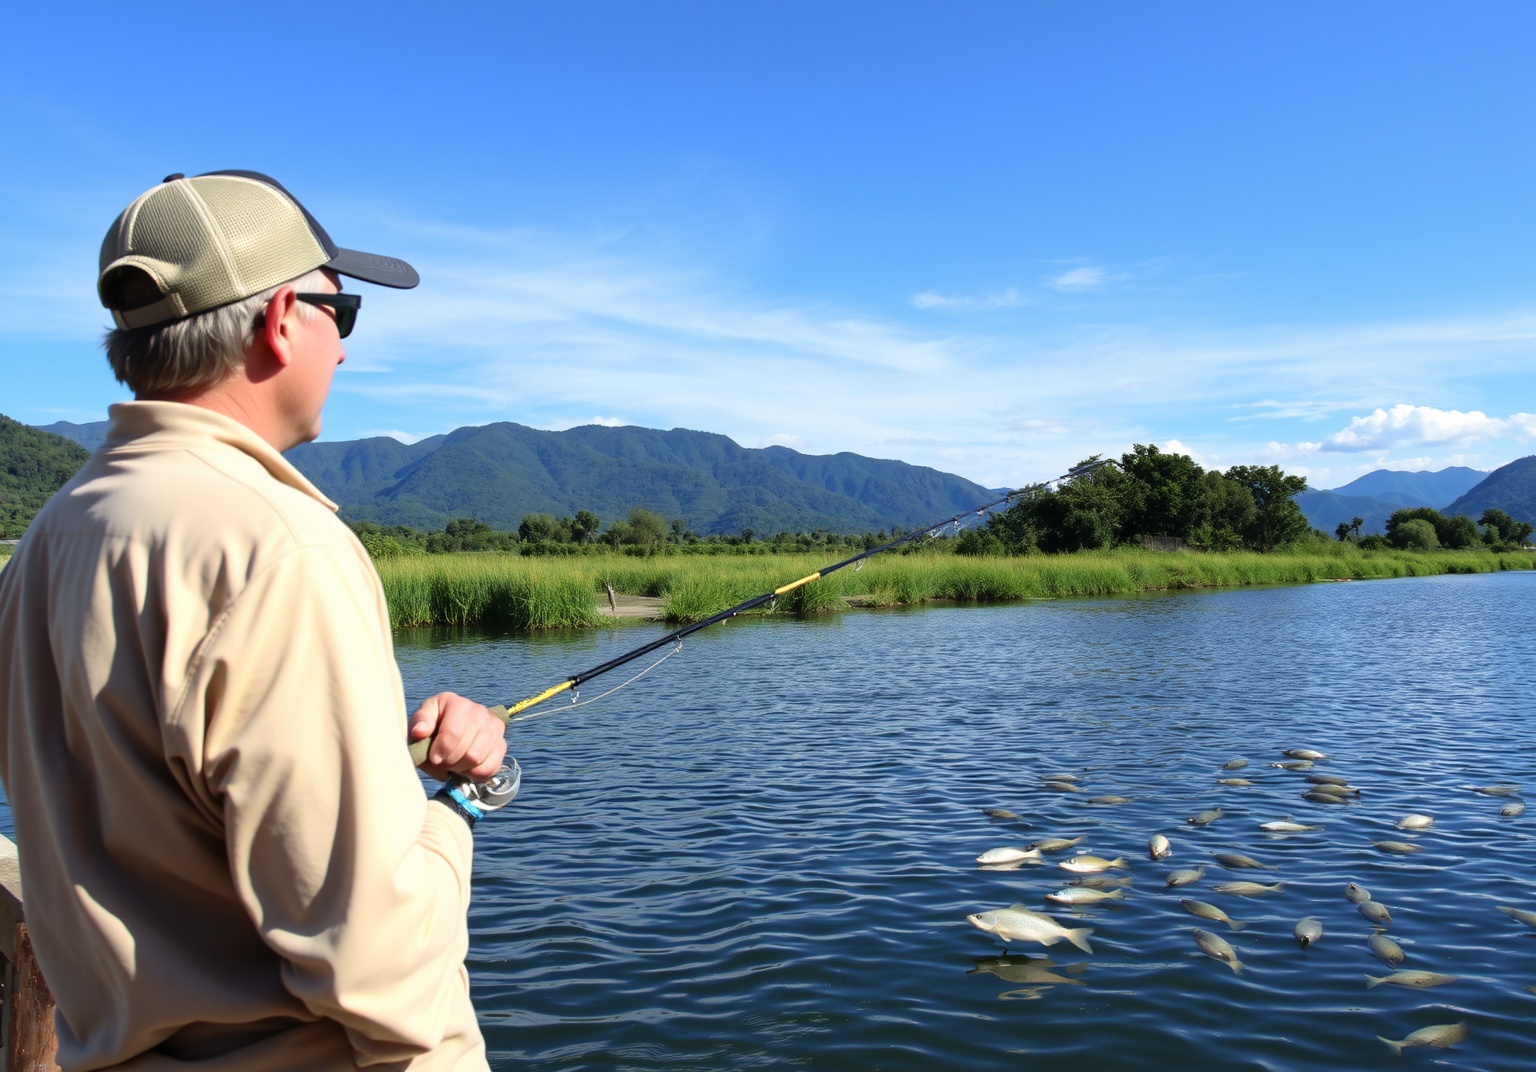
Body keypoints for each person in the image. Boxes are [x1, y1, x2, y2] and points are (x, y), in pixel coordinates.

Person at [0, 170, 511, 1070]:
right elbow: (375, 965)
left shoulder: (54, 534)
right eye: (339, 314)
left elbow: (164, 796)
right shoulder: (279, 548)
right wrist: (459, 808)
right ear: (281, 320)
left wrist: (365, 756)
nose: (345, 350)